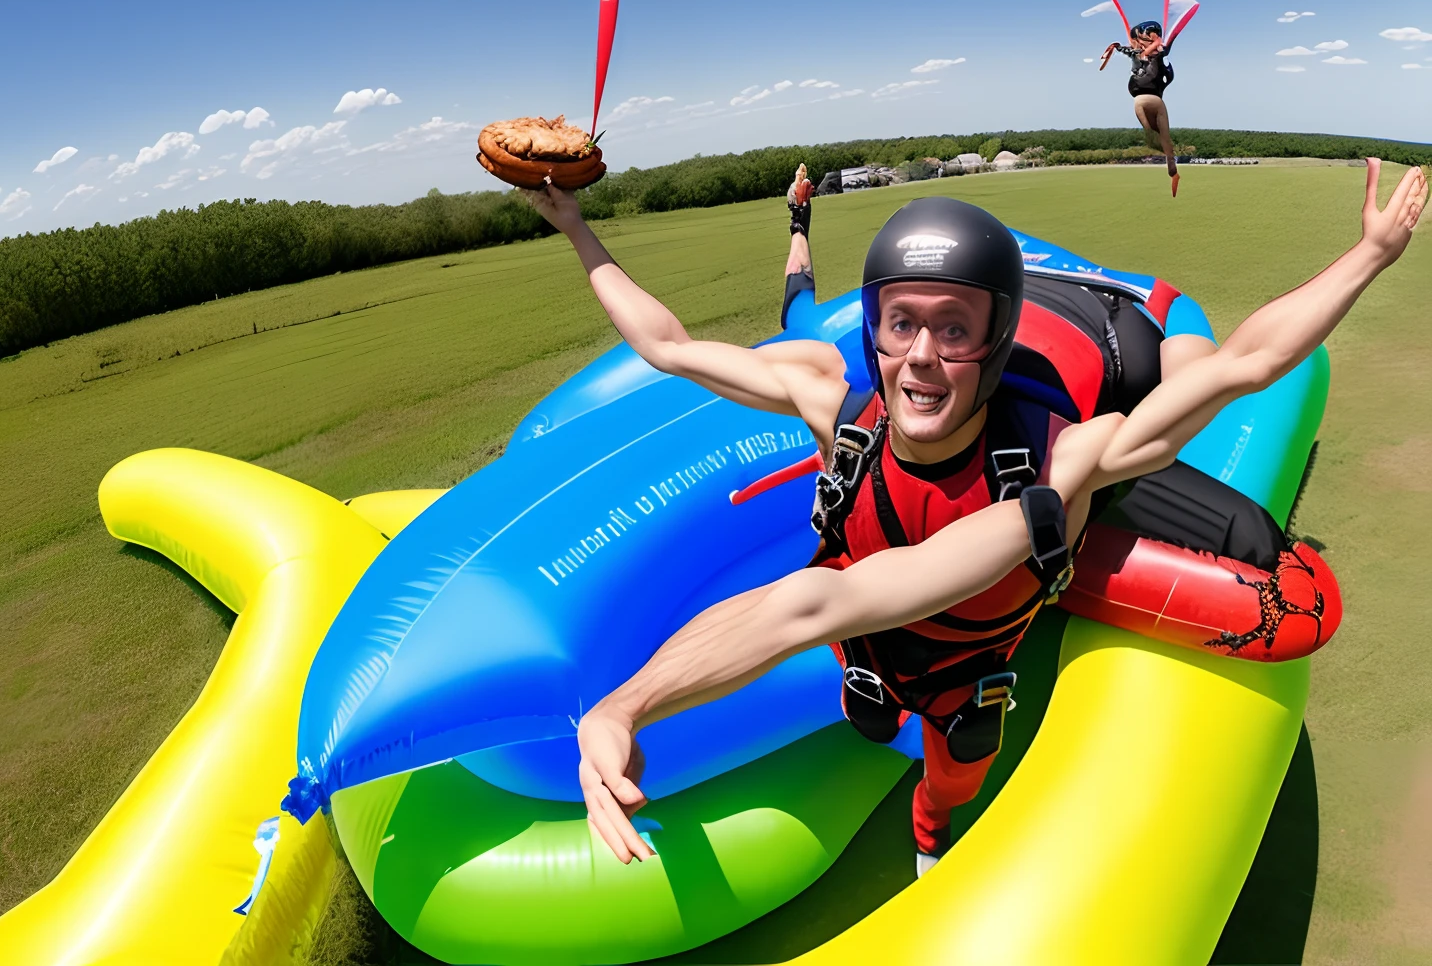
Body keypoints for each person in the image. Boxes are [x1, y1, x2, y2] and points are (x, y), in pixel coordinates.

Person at [522, 160, 1425, 873]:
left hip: (1084, 412)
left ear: (994, 340)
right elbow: (666, 345)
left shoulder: (1065, 462)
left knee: (958, 757)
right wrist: (575, 225)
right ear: (871, 326)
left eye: (953, 328)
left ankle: (930, 834)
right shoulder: (831, 400)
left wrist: (1372, 254)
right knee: (876, 701)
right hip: (882, 632)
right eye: (901, 322)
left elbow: (1243, 366)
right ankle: (904, 739)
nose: (919, 359)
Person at [1102, 21, 1181, 196]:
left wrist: (1158, 42)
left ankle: (1173, 172)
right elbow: (1132, 49)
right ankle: (1172, 168)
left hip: (1146, 101)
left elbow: (1159, 48)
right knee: (1161, 139)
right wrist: (1117, 47)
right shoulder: (1141, 54)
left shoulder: (1155, 56)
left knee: (1159, 139)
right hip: (1151, 101)